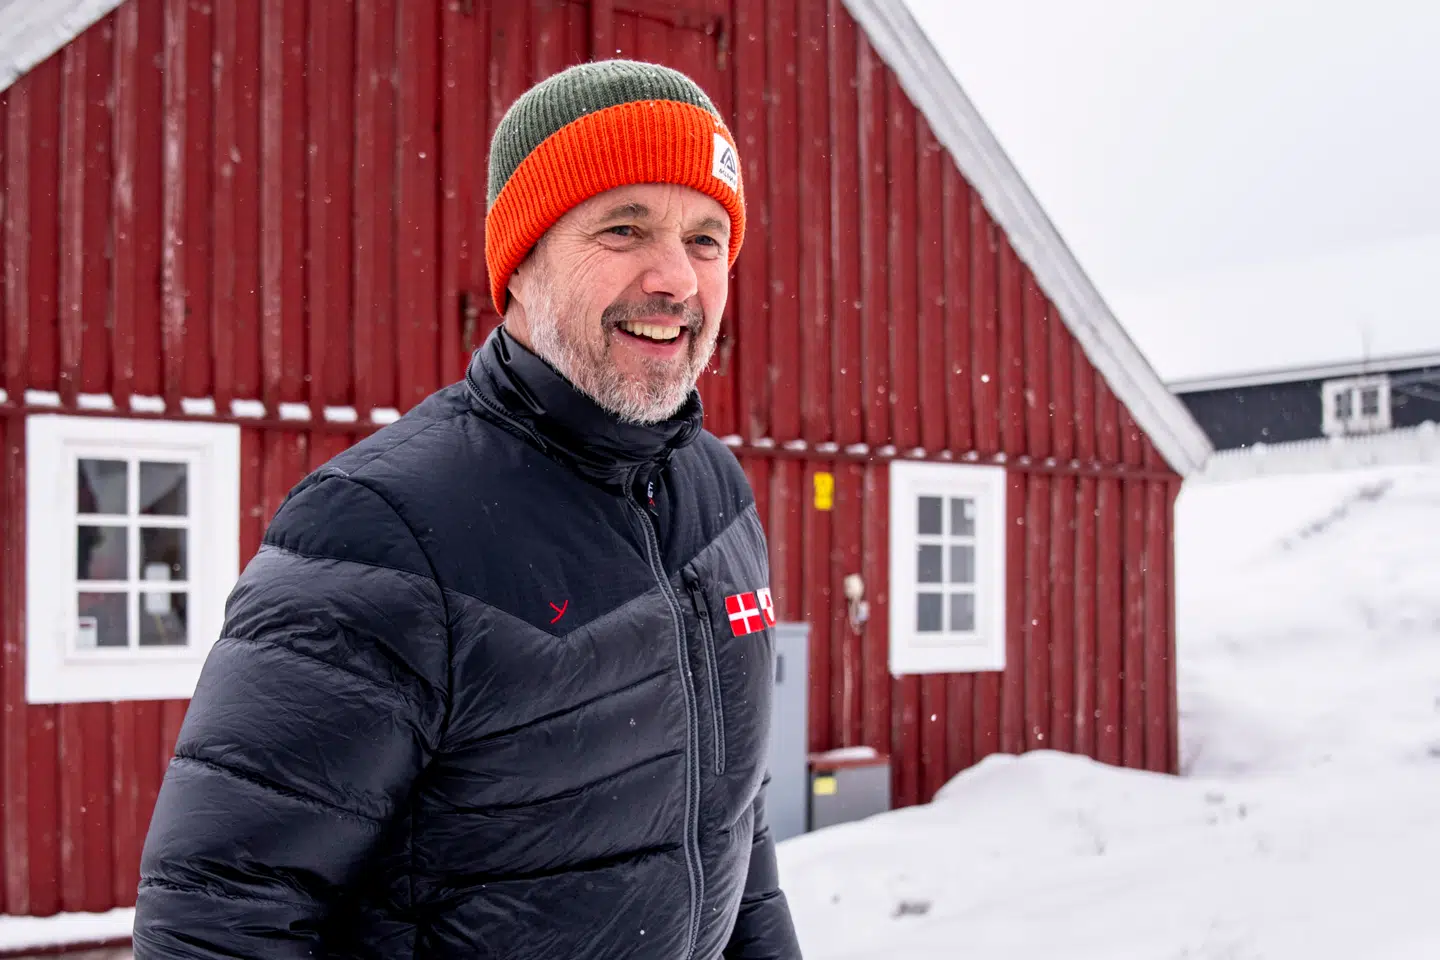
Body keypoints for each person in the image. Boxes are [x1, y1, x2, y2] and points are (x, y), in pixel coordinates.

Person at [130, 59, 802, 959]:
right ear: (520, 264)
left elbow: (733, 822)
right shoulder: (380, 530)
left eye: (707, 239)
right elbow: (217, 918)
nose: (676, 278)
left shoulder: (716, 495)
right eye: (625, 227)